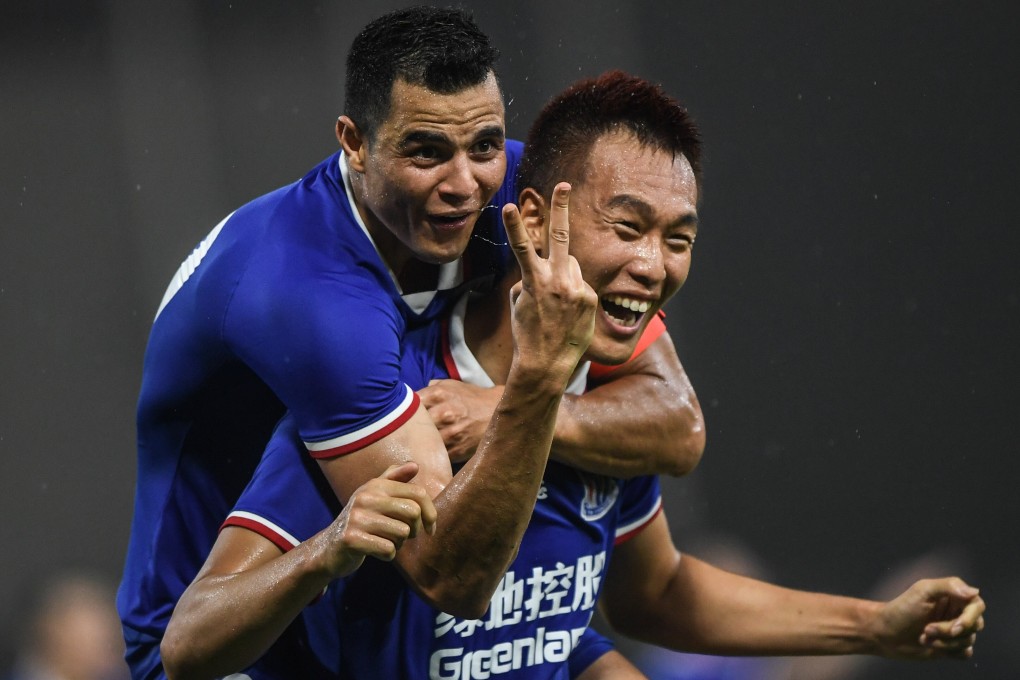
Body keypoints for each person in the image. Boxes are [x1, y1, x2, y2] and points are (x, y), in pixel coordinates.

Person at [161, 71, 985, 679]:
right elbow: (191, 641)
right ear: (530, 222)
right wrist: (325, 551)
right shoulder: (385, 400)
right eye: (626, 227)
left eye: (679, 239)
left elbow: (654, 595)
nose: (651, 265)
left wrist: (879, 626)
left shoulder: (605, 401)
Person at [118, 6, 703, 679]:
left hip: (365, 606)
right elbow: (450, 570)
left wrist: (500, 410)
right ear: (353, 142)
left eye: (485, 144)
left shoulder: (513, 193)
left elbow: (677, 427)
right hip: (227, 634)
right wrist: (537, 389)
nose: (464, 185)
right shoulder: (313, 298)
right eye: (426, 151)